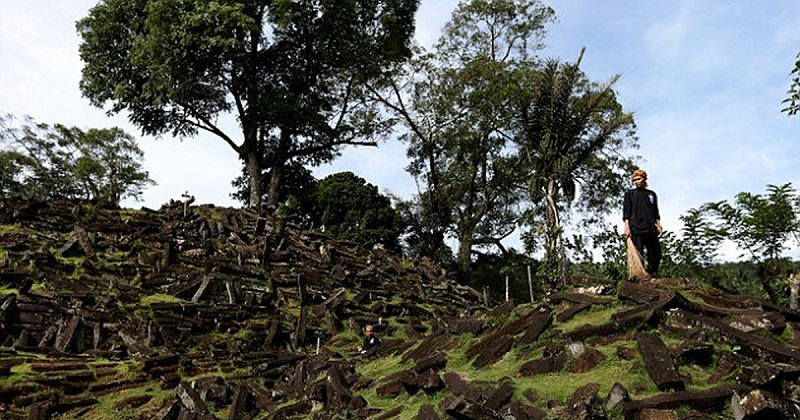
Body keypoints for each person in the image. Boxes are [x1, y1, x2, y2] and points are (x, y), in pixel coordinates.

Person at [623, 168, 663, 279]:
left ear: (644, 179)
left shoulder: (652, 194)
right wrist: (627, 227)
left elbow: (655, 212)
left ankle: (651, 273)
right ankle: (639, 276)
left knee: (655, 252)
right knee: (638, 252)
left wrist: (659, 225)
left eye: (638, 179)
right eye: (634, 180)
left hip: (650, 228)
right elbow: (626, 212)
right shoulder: (630, 194)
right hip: (636, 227)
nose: (636, 182)